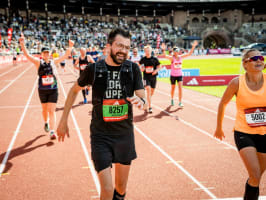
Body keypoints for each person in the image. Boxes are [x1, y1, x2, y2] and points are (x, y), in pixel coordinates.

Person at [57, 28, 146, 200]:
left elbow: (143, 97)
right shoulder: (94, 69)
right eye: (120, 46)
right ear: (109, 47)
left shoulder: (133, 69)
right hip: (100, 136)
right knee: (106, 189)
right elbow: (74, 90)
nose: (124, 50)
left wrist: (140, 101)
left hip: (124, 136)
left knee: (120, 190)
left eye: (127, 47)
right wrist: (63, 120)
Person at [214, 49, 266, 200]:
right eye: (254, 58)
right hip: (244, 132)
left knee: (255, 178)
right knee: (255, 174)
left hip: (264, 134)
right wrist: (219, 127)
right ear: (245, 64)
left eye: (261, 57)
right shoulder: (236, 83)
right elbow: (223, 103)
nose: (259, 60)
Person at [19, 33, 74, 139]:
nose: (46, 54)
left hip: (53, 89)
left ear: (50, 54)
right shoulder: (38, 63)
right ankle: (46, 122)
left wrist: (71, 46)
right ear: (42, 54)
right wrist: (22, 44)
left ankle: (52, 131)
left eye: (48, 53)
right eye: (44, 53)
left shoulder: (54, 62)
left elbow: (66, 55)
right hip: (42, 90)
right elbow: (27, 55)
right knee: (44, 110)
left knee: (51, 110)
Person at [161, 41, 198, 107]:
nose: (177, 52)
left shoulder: (181, 57)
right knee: (173, 88)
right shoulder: (172, 58)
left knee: (180, 88)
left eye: (177, 51)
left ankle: (180, 102)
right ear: (174, 52)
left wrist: (193, 46)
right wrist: (163, 49)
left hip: (179, 75)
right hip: (173, 75)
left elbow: (189, 54)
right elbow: (165, 56)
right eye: (175, 51)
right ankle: (172, 99)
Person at [139, 45, 161, 113]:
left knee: (152, 92)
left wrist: (156, 71)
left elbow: (159, 66)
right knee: (148, 90)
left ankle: (147, 100)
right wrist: (142, 69)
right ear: (144, 52)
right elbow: (140, 66)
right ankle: (150, 107)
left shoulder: (154, 59)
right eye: (146, 51)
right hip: (146, 77)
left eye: (148, 51)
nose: (147, 52)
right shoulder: (143, 59)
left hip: (153, 77)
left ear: (151, 51)